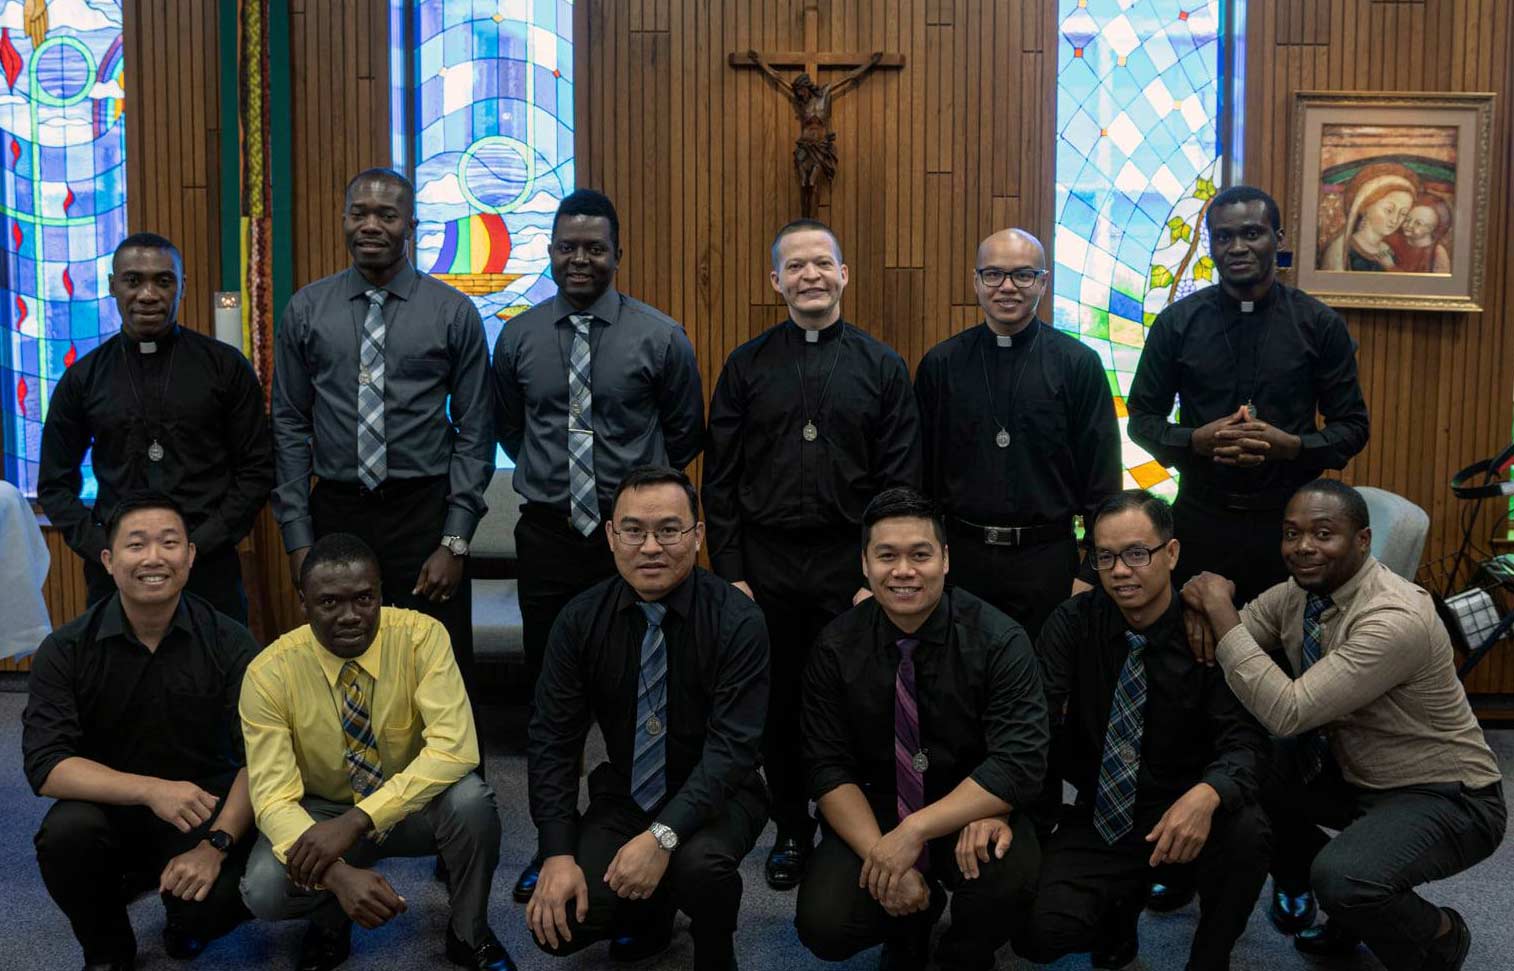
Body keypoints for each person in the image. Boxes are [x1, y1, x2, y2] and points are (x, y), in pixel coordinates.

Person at [1182, 480, 1506, 971]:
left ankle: (1439, 938)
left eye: (1323, 533)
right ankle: (1352, 909)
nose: (1303, 547)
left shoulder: (1394, 617)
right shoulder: (1302, 592)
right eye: (1292, 534)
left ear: (1362, 540)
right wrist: (1203, 612)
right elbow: (1238, 638)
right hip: (1355, 772)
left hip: (1447, 795)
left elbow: (1288, 709)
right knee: (1246, 777)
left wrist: (1219, 607)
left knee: (1344, 879)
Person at [494, 188, 705, 900]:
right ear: (550, 252)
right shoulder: (518, 336)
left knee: (645, 687)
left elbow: (683, 434)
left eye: (594, 247)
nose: (580, 258)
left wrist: (631, 509)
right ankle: (555, 842)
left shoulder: (659, 335)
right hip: (551, 532)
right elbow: (510, 427)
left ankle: (644, 829)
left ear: (617, 253)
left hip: (635, 540)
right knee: (552, 698)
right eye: (567, 246)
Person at [704, 218, 922, 890]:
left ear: (844, 273)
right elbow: (721, 479)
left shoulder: (881, 365)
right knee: (779, 705)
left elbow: (900, 480)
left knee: (853, 702)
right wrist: (732, 572)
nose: (810, 276)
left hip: (848, 567)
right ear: (776, 281)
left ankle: (848, 829)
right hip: (765, 568)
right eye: (795, 266)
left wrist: (876, 576)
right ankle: (792, 828)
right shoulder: (746, 364)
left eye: (822, 263)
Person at [1017, 490, 1271, 971]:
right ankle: (1118, 910)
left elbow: (1247, 742)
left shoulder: (1209, 632)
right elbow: (1037, 725)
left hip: (1184, 812)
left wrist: (1208, 794)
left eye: (1137, 553)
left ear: (1171, 553)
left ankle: (1209, 957)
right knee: (1038, 933)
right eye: (1105, 556)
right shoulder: (1072, 624)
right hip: (1101, 813)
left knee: (1247, 831)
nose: (1119, 570)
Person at [526, 467, 768, 971]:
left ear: (698, 536)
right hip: (627, 793)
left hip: (718, 795)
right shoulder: (579, 620)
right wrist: (555, 852)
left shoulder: (737, 620)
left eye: (669, 530)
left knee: (701, 867)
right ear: (612, 536)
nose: (651, 547)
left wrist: (662, 837)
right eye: (634, 530)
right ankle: (650, 916)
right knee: (559, 924)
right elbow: (553, 739)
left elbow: (730, 753)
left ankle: (714, 949)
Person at [795, 487, 1046, 971]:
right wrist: (884, 852)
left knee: (1010, 882)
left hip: (970, 811)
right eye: (887, 556)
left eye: (920, 555)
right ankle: (909, 925)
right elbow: (826, 767)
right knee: (824, 924)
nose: (904, 571)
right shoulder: (835, 647)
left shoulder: (999, 640)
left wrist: (918, 829)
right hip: (877, 812)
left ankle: (964, 950)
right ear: (865, 564)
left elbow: (1020, 762)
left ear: (946, 560)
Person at [239, 532, 514, 971]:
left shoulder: (423, 637)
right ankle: (330, 922)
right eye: (329, 603)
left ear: (381, 593)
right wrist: (336, 874)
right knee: (263, 890)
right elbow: (272, 798)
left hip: (409, 807)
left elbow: (456, 749)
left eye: (364, 599)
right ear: (303, 602)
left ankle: (469, 932)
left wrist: (359, 820)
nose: (351, 617)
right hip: (323, 812)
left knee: (472, 802)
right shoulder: (269, 673)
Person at [271, 168, 493, 699]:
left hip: (424, 513)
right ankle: (345, 780)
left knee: (438, 666)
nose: (371, 225)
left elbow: (476, 430)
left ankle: (456, 783)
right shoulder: (307, 309)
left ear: (410, 225)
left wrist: (455, 542)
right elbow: (288, 423)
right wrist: (299, 540)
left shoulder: (453, 312)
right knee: (337, 665)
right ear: (343, 220)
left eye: (387, 215)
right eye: (359, 213)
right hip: (338, 511)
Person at [23, 493, 259, 970]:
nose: (153, 557)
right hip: (111, 813)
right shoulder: (65, 649)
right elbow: (46, 766)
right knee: (65, 834)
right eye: (136, 544)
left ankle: (185, 920)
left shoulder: (231, 641)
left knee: (226, 900)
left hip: (204, 816)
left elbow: (262, 758)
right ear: (108, 561)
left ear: (190, 557)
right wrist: (151, 791)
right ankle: (107, 949)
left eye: (169, 543)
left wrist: (215, 847)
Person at [1127, 184, 1369, 610]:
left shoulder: (1319, 324)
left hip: (1292, 524)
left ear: (1277, 240)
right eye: (1223, 237)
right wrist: (1195, 441)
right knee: (1197, 652)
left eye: (1252, 233)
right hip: (1202, 516)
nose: (1237, 247)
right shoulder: (1177, 324)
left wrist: (1292, 447)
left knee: (1284, 651)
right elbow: (1142, 418)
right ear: (1211, 245)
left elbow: (1352, 428)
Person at [39, 232, 273, 624]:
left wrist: (200, 543)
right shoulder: (83, 378)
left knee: (217, 678)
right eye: (133, 280)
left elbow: (257, 470)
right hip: (115, 571)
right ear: (113, 285)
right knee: (115, 679)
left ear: (182, 286)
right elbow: (54, 483)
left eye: (163, 281)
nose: (147, 294)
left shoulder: (225, 368)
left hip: (207, 565)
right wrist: (104, 548)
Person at [915, 227, 1121, 640]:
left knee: (1045, 688)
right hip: (962, 558)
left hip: (1047, 561)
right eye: (993, 274)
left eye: (1023, 275)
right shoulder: (942, 365)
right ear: (976, 282)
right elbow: (921, 475)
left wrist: (1090, 569)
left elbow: (1102, 477)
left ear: (1042, 283)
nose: (1007, 287)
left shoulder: (1077, 365)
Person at [1317, 163, 1420, 271]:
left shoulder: (1387, 250)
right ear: (1365, 207)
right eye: (1389, 210)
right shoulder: (1341, 251)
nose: (1395, 220)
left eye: (1403, 214)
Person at [1387, 194, 1452, 274]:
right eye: (1407, 219)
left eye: (1418, 223)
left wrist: (1390, 266)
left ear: (1431, 229)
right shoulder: (1394, 239)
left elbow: (1440, 283)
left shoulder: (1437, 252)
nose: (1409, 225)